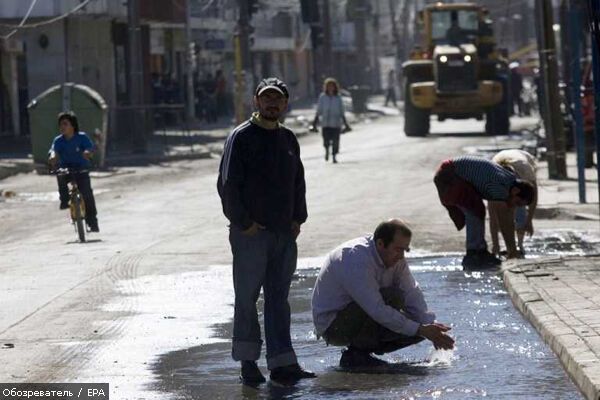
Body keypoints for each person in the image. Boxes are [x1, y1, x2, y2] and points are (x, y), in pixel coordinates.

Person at [217, 77, 315, 385]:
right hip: (251, 235)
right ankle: (248, 363)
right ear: (256, 102)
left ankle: (282, 363)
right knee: (247, 298)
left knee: (278, 300)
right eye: (266, 98)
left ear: (286, 104)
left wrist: (298, 217)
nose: (272, 103)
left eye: (278, 99)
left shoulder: (288, 139)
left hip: (284, 235)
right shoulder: (241, 137)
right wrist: (243, 222)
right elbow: (227, 184)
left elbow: (298, 182)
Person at [311, 219, 455, 369]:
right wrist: (419, 328)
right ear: (380, 244)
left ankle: (363, 354)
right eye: (398, 249)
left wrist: (431, 328)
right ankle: (356, 356)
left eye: (405, 250)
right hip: (333, 326)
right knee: (393, 297)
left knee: (422, 327)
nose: (401, 256)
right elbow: (377, 309)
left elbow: (411, 292)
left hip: (363, 315)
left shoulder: (396, 259)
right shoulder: (355, 258)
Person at [433, 156, 535, 268]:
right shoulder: (500, 188)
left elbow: (502, 218)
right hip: (449, 176)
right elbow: (503, 221)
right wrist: (512, 250)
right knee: (473, 210)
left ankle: (479, 250)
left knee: (477, 210)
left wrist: (508, 248)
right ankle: (473, 253)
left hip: (452, 173)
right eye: (518, 203)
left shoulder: (510, 181)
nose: (515, 207)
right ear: (516, 191)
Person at [48, 111, 99, 232]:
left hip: (81, 168)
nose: (62, 127)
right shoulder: (58, 140)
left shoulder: (82, 137)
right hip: (66, 168)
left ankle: (93, 223)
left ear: (73, 126)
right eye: (60, 124)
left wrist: (88, 153)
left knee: (87, 194)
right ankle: (64, 200)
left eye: (65, 124)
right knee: (60, 176)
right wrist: (53, 157)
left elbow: (89, 148)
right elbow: (53, 151)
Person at [489, 149, 537, 256]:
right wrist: (495, 244)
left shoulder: (526, 170)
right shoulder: (494, 179)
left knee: (520, 210)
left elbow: (533, 199)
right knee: (503, 212)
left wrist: (529, 221)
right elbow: (493, 216)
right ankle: (510, 247)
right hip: (500, 161)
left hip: (521, 161)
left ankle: (519, 245)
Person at [310, 77, 351, 164]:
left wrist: (346, 124)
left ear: (335, 87)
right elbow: (319, 110)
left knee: (336, 141)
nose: (330, 88)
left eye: (332, 86)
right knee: (326, 140)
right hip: (325, 123)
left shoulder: (338, 97)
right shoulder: (322, 97)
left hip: (336, 123)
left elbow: (341, 111)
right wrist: (314, 122)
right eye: (329, 86)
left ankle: (334, 156)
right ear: (326, 87)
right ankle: (327, 150)